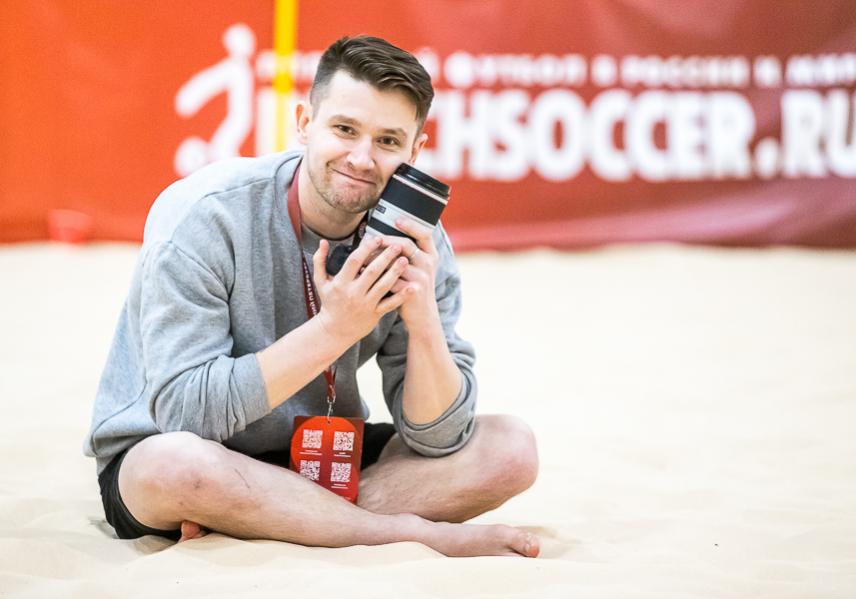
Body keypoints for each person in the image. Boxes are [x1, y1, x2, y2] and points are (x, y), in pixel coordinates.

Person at [84, 35, 540, 558]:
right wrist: (335, 329)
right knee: (171, 467)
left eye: (388, 141)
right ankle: (407, 534)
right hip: (201, 452)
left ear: (415, 152)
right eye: (345, 129)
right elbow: (185, 416)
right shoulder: (206, 214)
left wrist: (423, 321)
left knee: (511, 450)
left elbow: (440, 438)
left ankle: (276, 519)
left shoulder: (415, 240)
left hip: (322, 456)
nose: (362, 158)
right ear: (304, 123)